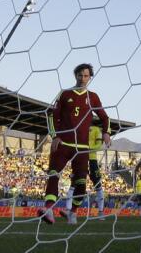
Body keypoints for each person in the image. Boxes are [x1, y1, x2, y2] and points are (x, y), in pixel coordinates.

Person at [42, 63, 111, 225]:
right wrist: (55, 136)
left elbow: (105, 118)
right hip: (63, 143)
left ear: (90, 77)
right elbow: (52, 115)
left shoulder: (92, 96)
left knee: (80, 182)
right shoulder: (65, 94)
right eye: (80, 75)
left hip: (82, 148)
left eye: (86, 75)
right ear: (75, 76)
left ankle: (72, 212)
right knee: (53, 174)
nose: (83, 78)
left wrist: (106, 133)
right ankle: (48, 209)